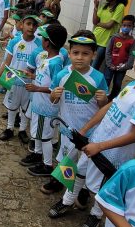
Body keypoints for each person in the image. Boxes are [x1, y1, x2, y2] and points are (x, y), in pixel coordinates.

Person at [50, 41, 135, 227]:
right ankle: (67, 201)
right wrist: (86, 129)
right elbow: (109, 107)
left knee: (104, 187)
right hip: (95, 142)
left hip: (112, 153)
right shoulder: (133, 85)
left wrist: (100, 146)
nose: (133, 60)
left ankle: (96, 215)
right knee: (79, 172)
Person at [41, 31, 109, 195]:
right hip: (68, 129)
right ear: (69, 53)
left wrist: (103, 99)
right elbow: (53, 101)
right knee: (65, 159)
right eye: (76, 53)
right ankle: (59, 182)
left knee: (85, 163)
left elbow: (103, 106)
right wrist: (53, 95)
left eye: (85, 54)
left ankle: (82, 190)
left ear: (93, 55)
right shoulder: (62, 74)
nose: (80, 57)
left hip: (90, 130)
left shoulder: (98, 77)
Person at [21, 24, 68, 177]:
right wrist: (32, 77)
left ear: (47, 42)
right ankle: (37, 154)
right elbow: (44, 78)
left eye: (43, 38)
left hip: (46, 107)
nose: (41, 39)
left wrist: (36, 89)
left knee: (45, 137)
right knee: (38, 133)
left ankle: (47, 165)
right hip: (39, 104)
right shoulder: (47, 58)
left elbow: (55, 88)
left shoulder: (56, 63)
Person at [0, 13, 43, 143]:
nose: (31, 27)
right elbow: (6, 62)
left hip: (29, 83)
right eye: (28, 24)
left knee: (25, 107)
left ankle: (22, 130)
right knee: (12, 105)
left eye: (34, 25)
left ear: (37, 28)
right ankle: (9, 129)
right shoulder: (15, 41)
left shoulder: (39, 45)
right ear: (21, 25)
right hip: (13, 80)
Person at [92, 0, 128, 72]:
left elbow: (109, 25)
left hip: (105, 43)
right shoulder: (104, 6)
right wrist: (96, 6)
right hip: (95, 38)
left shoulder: (120, 7)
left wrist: (98, 23)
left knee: (94, 66)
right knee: (89, 64)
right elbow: (94, 21)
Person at [104, 15, 135, 100]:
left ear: (133, 27)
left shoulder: (132, 41)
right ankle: (103, 98)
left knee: (117, 84)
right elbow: (108, 51)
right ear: (121, 26)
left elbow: (131, 55)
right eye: (124, 25)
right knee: (106, 81)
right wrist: (109, 64)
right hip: (110, 66)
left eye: (129, 26)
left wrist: (125, 66)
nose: (126, 27)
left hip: (122, 68)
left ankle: (112, 100)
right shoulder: (114, 38)